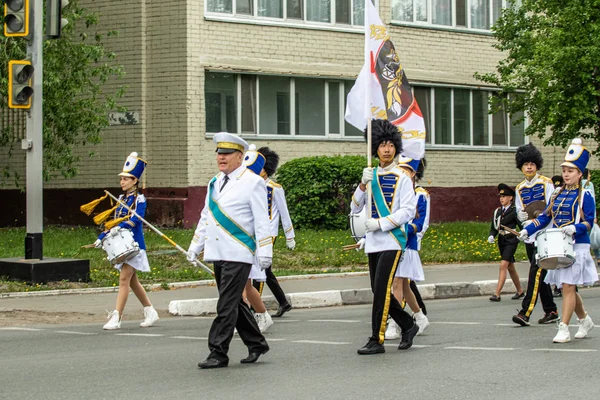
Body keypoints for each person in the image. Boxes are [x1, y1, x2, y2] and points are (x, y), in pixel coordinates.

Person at [187, 132, 272, 369]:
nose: (221, 158)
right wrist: (196, 246)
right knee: (233, 302)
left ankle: (218, 352)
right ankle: (256, 343)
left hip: (239, 252)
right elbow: (206, 216)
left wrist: (265, 251)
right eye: (219, 154)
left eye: (227, 154)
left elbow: (261, 220)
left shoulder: (252, 181)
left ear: (240, 156)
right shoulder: (214, 182)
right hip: (218, 251)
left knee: (225, 303)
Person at [351, 119, 419, 355]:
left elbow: (408, 211)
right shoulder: (370, 175)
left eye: (391, 145)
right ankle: (408, 324)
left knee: (381, 289)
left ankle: (376, 339)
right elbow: (355, 208)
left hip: (392, 239)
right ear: (375, 148)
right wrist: (361, 185)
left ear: (396, 147)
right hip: (373, 241)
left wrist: (380, 223)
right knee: (376, 289)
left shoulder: (402, 177)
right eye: (382, 145)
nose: (387, 149)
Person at [519, 138, 598, 343]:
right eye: (564, 170)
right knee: (566, 286)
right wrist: (529, 229)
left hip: (577, 245)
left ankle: (563, 328)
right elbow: (545, 216)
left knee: (569, 286)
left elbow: (589, 221)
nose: (565, 174)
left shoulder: (585, 194)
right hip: (558, 245)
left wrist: (575, 228)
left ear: (579, 174)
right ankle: (584, 319)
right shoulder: (557, 193)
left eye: (570, 171)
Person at [90, 152, 159, 330]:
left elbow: (137, 219)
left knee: (123, 280)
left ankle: (117, 317)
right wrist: (101, 237)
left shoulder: (139, 199)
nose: (122, 182)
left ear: (135, 180)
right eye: (121, 179)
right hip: (122, 246)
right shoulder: (121, 200)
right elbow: (113, 221)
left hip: (134, 246)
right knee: (132, 282)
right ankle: (150, 311)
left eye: (126, 179)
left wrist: (122, 227)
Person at [512, 143, 559, 327]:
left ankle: (525, 312)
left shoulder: (546, 183)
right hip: (529, 236)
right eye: (525, 164)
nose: (529, 167)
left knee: (535, 273)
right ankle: (551, 310)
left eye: (532, 163)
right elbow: (519, 210)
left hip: (544, 235)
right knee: (542, 276)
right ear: (521, 166)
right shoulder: (519, 188)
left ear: (537, 165)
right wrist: (522, 219)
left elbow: (550, 211)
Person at [385, 157, 430, 340]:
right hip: (392, 241)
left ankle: (395, 324)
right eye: (400, 169)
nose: (402, 172)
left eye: (406, 170)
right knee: (403, 285)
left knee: (397, 283)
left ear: (413, 173)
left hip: (407, 244)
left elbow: (419, 223)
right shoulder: (396, 192)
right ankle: (420, 317)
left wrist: (404, 230)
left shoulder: (421, 194)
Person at [251, 146, 296, 318]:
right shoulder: (252, 185)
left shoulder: (275, 188)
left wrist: (289, 236)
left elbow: (284, 214)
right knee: (265, 270)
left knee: (260, 270)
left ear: (267, 169)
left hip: (269, 234)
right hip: (255, 232)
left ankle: (256, 309)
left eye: (261, 167)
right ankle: (283, 302)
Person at [241, 145, 273, 333]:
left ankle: (251, 317)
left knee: (242, 286)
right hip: (233, 242)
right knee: (243, 285)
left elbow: (262, 222)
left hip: (248, 243)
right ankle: (263, 315)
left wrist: (264, 250)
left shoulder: (257, 187)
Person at [487, 183, 524, 302]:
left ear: (511, 198)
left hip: (511, 240)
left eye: (504, 196)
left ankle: (497, 294)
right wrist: (492, 235)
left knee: (503, 265)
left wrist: (524, 233)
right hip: (501, 241)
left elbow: (521, 225)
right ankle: (520, 291)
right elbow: (494, 227)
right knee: (510, 267)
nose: (501, 199)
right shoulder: (497, 211)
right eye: (500, 197)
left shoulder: (514, 211)